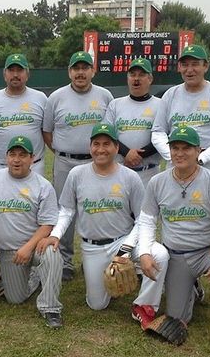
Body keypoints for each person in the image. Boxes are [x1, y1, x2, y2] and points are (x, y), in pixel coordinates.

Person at [135, 126, 210, 357]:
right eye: (175, 148)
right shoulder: (157, 182)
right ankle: (192, 288)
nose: (180, 153)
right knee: (177, 319)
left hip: (208, 252)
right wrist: (144, 252)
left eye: (186, 148)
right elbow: (146, 221)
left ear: (198, 151)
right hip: (177, 255)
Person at [37, 123, 168, 312]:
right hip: (93, 247)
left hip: (123, 240)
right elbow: (66, 210)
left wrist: (124, 251)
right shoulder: (77, 174)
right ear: (90, 147)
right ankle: (103, 273)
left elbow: (142, 219)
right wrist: (55, 235)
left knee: (160, 254)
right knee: (97, 304)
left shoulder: (130, 177)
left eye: (107, 144)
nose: (101, 149)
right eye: (96, 144)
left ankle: (144, 305)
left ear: (116, 147)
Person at [0, 136, 64, 327]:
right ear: (6, 157)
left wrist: (28, 247)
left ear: (32, 158)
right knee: (15, 298)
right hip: (9, 252)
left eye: (22, 155)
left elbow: (47, 224)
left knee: (52, 254)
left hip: (35, 247)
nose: (17, 160)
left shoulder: (42, 186)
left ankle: (51, 308)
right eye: (12, 154)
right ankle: (34, 275)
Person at [42, 51, 113, 281]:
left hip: (96, 162)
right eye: (76, 68)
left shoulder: (105, 96)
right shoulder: (56, 97)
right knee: (64, 209)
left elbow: (111, 131)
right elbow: (47, 132)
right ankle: (65, 260)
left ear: (93, 71)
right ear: (69, 71)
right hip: (65, 161)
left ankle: (96, 257)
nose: (80, 73)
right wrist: (63, 150)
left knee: (96, 208)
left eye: (85, 68)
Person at [151, 45, 210, 181]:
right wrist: (174, 155)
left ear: (206, 66)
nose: (189, 70)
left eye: (195, 64)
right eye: (185, 65)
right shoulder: (170, 95)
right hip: (176, 166)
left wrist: (202, 157)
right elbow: (158, 132)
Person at [103, 57, 162, 186]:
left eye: (141, 75)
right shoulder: (115, 104)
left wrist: (138, 155)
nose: (136, 78)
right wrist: (126, 153)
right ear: (127, 78)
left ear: (150, 79)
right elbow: (107, 134)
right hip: (120, 171)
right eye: (132, 74)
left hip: (149, 172)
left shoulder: (160, 104)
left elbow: (163, 136)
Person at [0, 53, 47, 174]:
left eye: (20, 70)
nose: (15, 75)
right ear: (4, 74)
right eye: (11, 70)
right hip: (2, 166)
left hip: (34, 166)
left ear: (27, 74)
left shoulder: (41, 98)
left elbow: (46, 131)